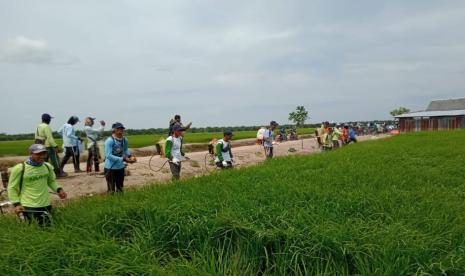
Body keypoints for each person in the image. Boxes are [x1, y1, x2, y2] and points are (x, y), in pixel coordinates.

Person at [7, 144, 67, 226]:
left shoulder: (47, 166)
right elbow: (12, 188)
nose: (42, 156)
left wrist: (59, 190)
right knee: (33, 230)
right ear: (31, 153)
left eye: (44, 153)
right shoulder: (20, 168)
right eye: (38, 154)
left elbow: (51, 181)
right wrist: (16, 204)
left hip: (46, 204)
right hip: (29, 206)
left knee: (48, 228)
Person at [104, 123, 135, 194]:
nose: (120, 130)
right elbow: (108, 155)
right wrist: (123, 159)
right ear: (113, 130)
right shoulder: (109, 141)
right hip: (110, 168)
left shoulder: (124, 140)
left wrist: (130, 156)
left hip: (120, 167)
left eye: (122, 129)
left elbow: (125, 150)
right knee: (111, 189)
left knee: (120, 188)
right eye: (118, 129)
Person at [34, 113, 67, 178]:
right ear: (48, 119)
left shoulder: (38, 126)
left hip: (40, 146)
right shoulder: (46, 126)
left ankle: (44, 174)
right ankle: (58, 173)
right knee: (55, 159)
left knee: (44, 161)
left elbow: (36, 137)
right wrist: (55, 146)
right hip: (48, 146)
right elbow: (49, 138)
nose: (50, 121)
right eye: (50, 119)